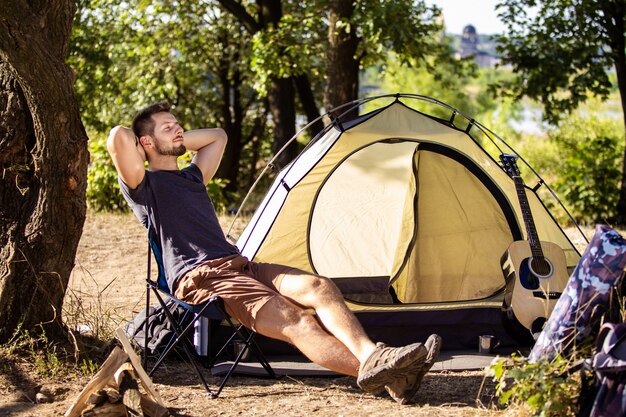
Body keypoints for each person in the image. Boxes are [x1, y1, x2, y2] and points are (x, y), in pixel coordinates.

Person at [107, 102, 442, 404]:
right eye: (168, 127)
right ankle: (388, 374)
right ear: (146, 143)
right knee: (297, 321)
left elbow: (218, 136)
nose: (179, 129)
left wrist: (172, 137)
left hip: (240, 265)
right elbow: (118, 136)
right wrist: (151, 140)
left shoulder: (193, 177)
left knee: (318, 287)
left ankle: (375, 356)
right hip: (204, 278)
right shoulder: (143, 187)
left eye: (179, 124)